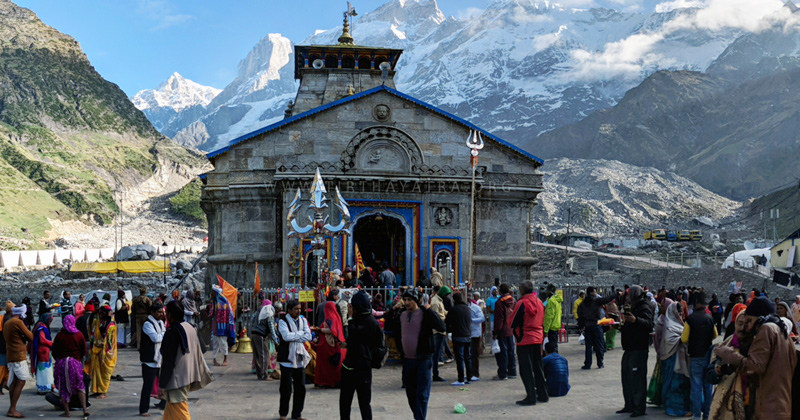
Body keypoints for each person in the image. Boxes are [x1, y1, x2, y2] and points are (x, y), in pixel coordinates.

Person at [715, 296, 798, 420]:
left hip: (769, 406)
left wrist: (729, 354)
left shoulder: (766, 329)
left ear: (759, 318)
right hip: (781, 405)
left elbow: (754, 367)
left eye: (749, 320)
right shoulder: (782, 332)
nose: (747, 326)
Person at [395, 288, 446, 420]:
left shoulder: (425, 314)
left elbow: (441, 327)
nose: (407, 303)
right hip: (408, 360)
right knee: (410, 393)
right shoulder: (402, 314)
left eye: (410, 300)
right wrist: (393, 309)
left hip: (423, 359)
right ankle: (418, 416)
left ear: (416, 300)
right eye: (405, 300)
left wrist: (429, 310)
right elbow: (390, 326)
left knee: (422, 394)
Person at [159, 301, 213, 420]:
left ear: (170, 315)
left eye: (166, 312)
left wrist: (162, 384)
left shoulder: (173, 332)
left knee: (179, 408)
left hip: (176, 378)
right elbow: (202, 349)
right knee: (172, 409)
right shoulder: (190, 327)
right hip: (188, 374)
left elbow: (168, 361)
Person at [339, 290, 382, 420]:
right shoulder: (366, 320)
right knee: (349, 401)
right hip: (355, 365)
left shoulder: (368, 322)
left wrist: (350, 318)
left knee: (360, 402)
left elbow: (353, 337)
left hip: (359, 366)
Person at [618, 285, 655, 418]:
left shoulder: (644, 307)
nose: (627, 298)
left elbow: (649, 324)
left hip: (638, 349)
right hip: (629, 348)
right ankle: (629, 405)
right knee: (627, 378)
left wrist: (636, 320)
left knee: (637, 380)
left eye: (628, 295)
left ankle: (639, 408)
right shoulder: (634, 306)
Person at [510, 280, 549, 406]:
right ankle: (543, 394)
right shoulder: (539, 302)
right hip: (538, 338)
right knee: (538, 367)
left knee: (526, 370)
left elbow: (512, 322)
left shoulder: (521, 303)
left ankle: (531, 397)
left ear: (522, 290)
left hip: (524, 339)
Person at [682, 292, 716, 420]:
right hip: (708, 356)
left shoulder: (690, 319)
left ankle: (697, 415)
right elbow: (715, 335)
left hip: (695, 356)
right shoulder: (710, 318)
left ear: (696, 303)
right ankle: (707, 415)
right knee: (708, 387)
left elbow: (684, 338)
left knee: (696, 387)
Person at [277, 299, 312, 420]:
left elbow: (309, 335)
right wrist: (300, 334)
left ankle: (297, 414)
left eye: (299, 309)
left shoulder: (303, 320)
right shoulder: (283, 321)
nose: (298, 311)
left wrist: (296, 335)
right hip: (286, 358)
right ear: (289, 310)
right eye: (296, 309)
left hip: (300, 358)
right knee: (286, 388)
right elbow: (286, 337)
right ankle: (283, 413)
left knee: (300, 387)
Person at [52, 314, 89, 418]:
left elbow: (54, 351)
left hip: (62, 364)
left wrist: (59, 361)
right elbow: (84, 351)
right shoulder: (79, 335)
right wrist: (77, 359)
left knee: (63, 388)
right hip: (75, 363)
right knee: (80, 386)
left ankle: (67, 412)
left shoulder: (60, 335)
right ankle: (84, 409)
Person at [658, 300, 691, 416]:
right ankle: (674, 409)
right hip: (672, 359)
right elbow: (670, 340)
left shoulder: (680, 323)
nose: (681, 315)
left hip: (679, 359)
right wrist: (683, 339)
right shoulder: (669, 325)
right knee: (674, 385)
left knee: (680, 384)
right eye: (679, 312)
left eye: (682, 312)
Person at [579, 287, 617, 369]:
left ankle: (587, 364)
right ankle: (600, 363)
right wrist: (616, 294)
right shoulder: (596, 301)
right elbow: (607, 299)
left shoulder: (582, 304)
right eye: (595, 292)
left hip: (588, 326)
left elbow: (580, 317)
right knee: (599, 345)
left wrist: (581, 327)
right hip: (596, 325)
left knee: (588, 346)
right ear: (592, 293)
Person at [139, 301, 166, 416]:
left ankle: (163, 403)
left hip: (159, 357)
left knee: (164, 382)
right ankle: (143, 409)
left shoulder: (160, 322)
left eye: (162, 312)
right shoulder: (147, 324)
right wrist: (166, 335)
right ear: (153, 312)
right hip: (149, 359)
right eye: (159, 312)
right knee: (148, 385)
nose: (161, 314)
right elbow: (155, 338)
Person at [314, 301, 346, 388]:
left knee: (326, 365)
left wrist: (320, 330)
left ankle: (326, 381)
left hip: (328, 345)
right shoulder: (337, 317)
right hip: (336, 345)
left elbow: (332, 330)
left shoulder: (330, 317)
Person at [89, 305, 117, 399]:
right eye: (100, 313)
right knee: (96, 372)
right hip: (96, 350)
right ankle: (96, 390)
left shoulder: (111, 324)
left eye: (103, 313)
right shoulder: (98, 322)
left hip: (106, 352)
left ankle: (103, 391)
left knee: (105, 372)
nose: (101, 314)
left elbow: (108, 338)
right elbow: (90, 324)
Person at [445, 292, 473, 386]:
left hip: (458, 336)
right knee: (467, 357)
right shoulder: (467, 309)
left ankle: (461, 379)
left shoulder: (453, 310)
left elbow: (447, 322)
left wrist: (449, 331)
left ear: (454, 300)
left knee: (460, 358)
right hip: (468, 335)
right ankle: (469, 377)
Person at [492, 283, 517, 380]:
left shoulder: (499, 303)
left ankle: (503, 373)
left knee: (502, 353)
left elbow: (499, 319)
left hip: (502, 330)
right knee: (511, 351)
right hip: (511, 329)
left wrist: (496, 332)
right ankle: (512, 371)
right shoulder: (513, 301)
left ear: (500, 291)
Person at [251, 299, 278, 381]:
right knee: (264, 355)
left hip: (254, 333)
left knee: (257, 355)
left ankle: (260, 374)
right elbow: (272, 328)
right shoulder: (268, 312)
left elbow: (252, 320)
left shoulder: (258, 312)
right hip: (261, 335)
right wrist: (276, 341)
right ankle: (264, 375)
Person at [210, 285, 235, 367]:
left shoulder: (223, 302)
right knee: (215, 343)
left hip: (222, 326)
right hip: (216, 325)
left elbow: (228, 315)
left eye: (213, 292)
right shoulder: (215, 302)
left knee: (223, 343)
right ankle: (214, 359)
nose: (211, 293)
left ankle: (225, 359)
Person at [31, 312, 55, 394]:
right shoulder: (42, 328)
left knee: (44, 369)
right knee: (44, 370)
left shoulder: (40, 326)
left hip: (43, 351)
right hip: (43, 351)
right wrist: (51, 343)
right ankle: (45, 386)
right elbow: (42, 340)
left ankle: (44, 386)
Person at [429, 285, 448, 382]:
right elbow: (435, 317)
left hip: (440, 330)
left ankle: (435, 373)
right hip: (437, 331)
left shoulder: (439, 300)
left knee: (437, 353)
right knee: (435, 354)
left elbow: (443, 312)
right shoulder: (435, 302)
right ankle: (433, 374)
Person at [468, 293, 485, 381]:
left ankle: (475, 373)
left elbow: (482, 318)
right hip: (467, 333)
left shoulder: (476, 308)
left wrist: (472, 320)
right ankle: (469, 373)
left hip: (475, 333)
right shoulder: (465, 308)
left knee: (474, 354)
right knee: (468, 355)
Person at [543, 284, 562, 353]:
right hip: (556, 325)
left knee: (551, 348)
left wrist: (546, 330)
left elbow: (549, 316)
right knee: (555, 346)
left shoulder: (551, 301)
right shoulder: (557, 300)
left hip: (551, 327)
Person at [0, 301, 13, 396]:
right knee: (3, 368)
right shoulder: (8, 319)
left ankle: (5, 384)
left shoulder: (4, 318)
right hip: (4, 347)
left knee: (5, 368)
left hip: (3, 346)